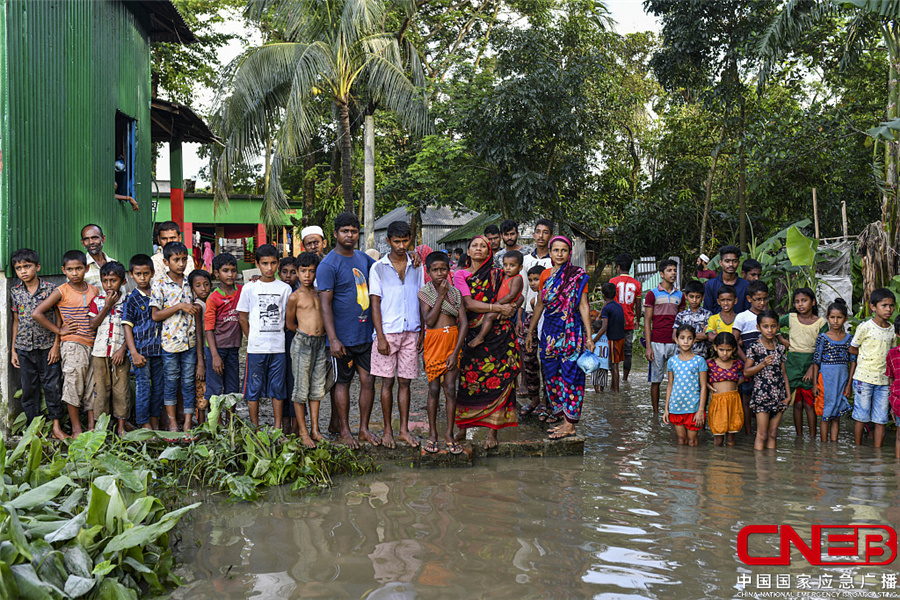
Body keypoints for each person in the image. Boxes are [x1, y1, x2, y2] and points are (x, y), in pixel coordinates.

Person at [318, 212, 379, 448]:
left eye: (354, 231)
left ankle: (363, 428)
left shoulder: (364, 259)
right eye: (345, 231)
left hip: (365, 335)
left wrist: (412, 256)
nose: (350, 235)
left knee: (368, 381)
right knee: (342, 383)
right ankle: (344, 429)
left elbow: (386, 268)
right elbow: (325, 304)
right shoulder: (328, 264)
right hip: (341, 339)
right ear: (335, 234)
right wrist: (332, 339)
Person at [526, 236, 594, 440]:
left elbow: (583, 306)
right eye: (555, 250)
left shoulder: (577, 276)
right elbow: (540, 304)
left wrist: (589, 337)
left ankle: (570, 424)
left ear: (569, 252)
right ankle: (561, 417)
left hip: (572, 331)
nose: (559, 254)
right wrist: (530, 332)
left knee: (571, 375)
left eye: (563, 250)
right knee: (551, 373)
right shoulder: (545, 274)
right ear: (550, 251)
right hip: (549, 332)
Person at [457, 235, 520, 448]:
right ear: (468, 250)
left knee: (501, 380)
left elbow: (516, 292)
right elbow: (469, 304)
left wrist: (513, 307)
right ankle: (462, 430)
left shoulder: (499, 273)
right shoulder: (461, 275)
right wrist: (498, 308)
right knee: (468, 382)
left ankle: (492, 434)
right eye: (474, 245)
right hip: (472, 333)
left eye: (483, 246)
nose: (478, 249)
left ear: (489, 252)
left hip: (500, 336)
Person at [369, 220, 424, 449]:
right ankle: (387, 430)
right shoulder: (378, 268)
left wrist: (423, 330)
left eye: (405, 241)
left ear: (410, 240)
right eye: (397, 241)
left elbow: (422, 298)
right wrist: (380, 336)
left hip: (411, 331)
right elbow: (375, 303)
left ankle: (403, 430)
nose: (401, 246)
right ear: (388, 241)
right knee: (386, 383)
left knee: (405, 383)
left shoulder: (417, 266)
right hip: (388, 332)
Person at [32, 250, 98, 437]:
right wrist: (59, 331)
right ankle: (76, 428)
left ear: (86, 268)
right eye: (70, 269)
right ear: (64, 270)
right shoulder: (61, 291)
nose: (75, 273)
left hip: (92, 344)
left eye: (78, 268)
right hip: (72, 344)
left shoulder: (94, 290)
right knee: (73, 385)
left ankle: (92, 427)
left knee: (91, 386)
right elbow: (37, 313)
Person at [10, 248, 66, 439]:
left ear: (37, 267)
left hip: (47, 347)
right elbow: (16, 321)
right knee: (29, 389)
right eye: (18, 268)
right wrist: (13, 350)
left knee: (52, 386)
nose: (23, 271)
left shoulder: (51, 289)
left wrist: (56, 345)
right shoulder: (15, 292)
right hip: (24, 347)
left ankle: (56, 426)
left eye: (27, 266)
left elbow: (59, 319)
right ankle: (34, 428)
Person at [418, 251, 468, 454]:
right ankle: (432, 434)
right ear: (428, 272)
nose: (440, 273)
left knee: (450, 388)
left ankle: (448, 433)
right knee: (433, 390)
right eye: (435, 270)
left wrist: (455, 352)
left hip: (452, 340)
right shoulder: (425, 293)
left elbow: (463, 322)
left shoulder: (455, 293)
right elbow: (429, 320)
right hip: (434, 341)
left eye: (443, 269)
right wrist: (440, 295)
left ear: (449, 270)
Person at [237, 244, 292, 429]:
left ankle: (277, 428)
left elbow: (288, 317)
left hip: (278, 347)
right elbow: (242, 316)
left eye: (273, 263)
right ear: (257, 264)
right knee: (253, 388)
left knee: (278, 388)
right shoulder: (249, 288)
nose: (269, 268)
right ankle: (255, 428)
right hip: (256, 348)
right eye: (265, 263)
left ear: (278, 263)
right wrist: (251, 336)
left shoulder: (285, 289)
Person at [150, 241, 199, 432]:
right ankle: (172, 422)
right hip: (169, 345)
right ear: (165, 261)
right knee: (170, 382)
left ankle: (187, 421)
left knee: (188, 382)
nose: (181, 264)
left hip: (190, 344)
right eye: (176, 260)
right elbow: (155, 315)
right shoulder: (160, 285)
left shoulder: (190, 282)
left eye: (184, 259)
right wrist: (179, 306)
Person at [287, 252, 329, 448]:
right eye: (303, 271)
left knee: (317, 389)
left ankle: (315, 429)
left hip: (321, 344)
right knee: (300, 389)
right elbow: (289, 323)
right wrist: (305, 334)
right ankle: (303, 432)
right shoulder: (295, 297)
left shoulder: (320, 293)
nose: (307, 276)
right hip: (303, 343)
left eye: (311, 272)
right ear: (297, 272)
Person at [849, 287, 896, 447]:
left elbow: (892, 354)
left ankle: (877, 453)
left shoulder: (892, 330)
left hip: (883, 382)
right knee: (861, 416)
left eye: (891, 305)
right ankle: (857, 451)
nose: (889, 309)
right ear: (874, 307)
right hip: (863, 379)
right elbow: (853, 348)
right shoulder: (865, 327)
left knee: (881, 418)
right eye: (884, 305)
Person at [777, 288, 826, 439]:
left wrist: (813, 367)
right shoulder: (790, 317)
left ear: (813, 302)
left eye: (804, 301)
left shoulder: (821, 323)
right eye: (797, 302)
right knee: (795, 403)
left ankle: (812, 438)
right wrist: (781, 339)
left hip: (810, 363)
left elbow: (822, 348)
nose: (800, 305)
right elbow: (772, 324)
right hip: (792, 363)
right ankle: (798, 437)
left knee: (809, 404)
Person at [88, 261, 129, 436]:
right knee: (101, 390)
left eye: (113, 280)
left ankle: (121, 426)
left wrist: (122, 350)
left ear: (123, 282)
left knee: (121, 389)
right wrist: (107, 306)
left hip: (120, 352)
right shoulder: (97, 301)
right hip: (100, 352)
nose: (109, 285)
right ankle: (101, 427)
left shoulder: (128, 302)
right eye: (105, 281)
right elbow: (92, 325)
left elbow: (133, 329)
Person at [123, 254, 163, 430]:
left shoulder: (158, 293)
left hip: (160, 350)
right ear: (131, 274)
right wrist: (133, 352)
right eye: (138, 274)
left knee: (159, 387)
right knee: (143, 388)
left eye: (146, 273)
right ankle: (143, 422)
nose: (142, 277)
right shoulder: (132, 299)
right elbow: (127, 327)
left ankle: (155, 420)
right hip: (141, 352)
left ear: (152, 273)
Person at [744, 309, 790, 451]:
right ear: (759, 328)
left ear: (777, 327)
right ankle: (760, 469)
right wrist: (762, 364)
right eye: (765, 326)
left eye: (773, 326)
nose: (769, 330)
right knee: (762, 434)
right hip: (762, 395)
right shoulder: (755, 348)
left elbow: (783, 373)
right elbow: (746, 372)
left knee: (773, 433)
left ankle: (770, 467)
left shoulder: (780, 348)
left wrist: (788, 396)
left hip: (779, 394)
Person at [644, 258, 684, 414]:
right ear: (661, 274)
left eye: (674, 270)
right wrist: (648, 347)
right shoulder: (652, 294)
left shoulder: (680, 295)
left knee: (677, 380)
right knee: (656, 380)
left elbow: (681, 321)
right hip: (656, 342)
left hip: (675, 343)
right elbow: (647, 321)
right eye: (669, 270)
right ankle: (655, 413)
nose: (673, 273)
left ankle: (672, 411)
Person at [811, 299, 854, 443]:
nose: (835, 321)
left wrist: (849, 384)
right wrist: (814, 384)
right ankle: (824, 447)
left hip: (841, 379)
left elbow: (853, 362)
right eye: (832, 317)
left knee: (836, 416)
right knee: (825, 414)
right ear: (827, 318)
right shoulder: (822, 338)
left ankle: (834, 448)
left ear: (845, 319)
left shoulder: (849, 339)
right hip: (825, 380)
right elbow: (816, 362)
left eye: (839, 317)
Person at [204, 253, 243, 410]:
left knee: (232, 388)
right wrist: (214, 356)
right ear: (216, 273)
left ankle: (231, 423)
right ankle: (216, 424)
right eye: (225, 270)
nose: (230, 274)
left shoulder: (242, 291)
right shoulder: (213, 298)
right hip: (216, 349)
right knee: (215, 389)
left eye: (233, 270)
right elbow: (209, 329)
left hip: (233, 349)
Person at [732, 279, 769, 434]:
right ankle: (748, 432)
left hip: (767, 365)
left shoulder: (768, 316)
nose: (762, 303)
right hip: (749, 366)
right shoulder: (742, 317)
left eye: (764, 299)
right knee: (747, 399)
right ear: (749, 299)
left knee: (766, 399)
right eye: (758, 299)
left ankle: (763, 432)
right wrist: (746, 359)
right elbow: (734, 341)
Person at [664, 324, 708, 446]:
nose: (686, 341)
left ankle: (692, 464)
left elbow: (703, 386)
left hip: (693, 408)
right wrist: (666, 409)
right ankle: (680, 464)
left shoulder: (699, 361)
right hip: (676, 407)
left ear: (694, 341)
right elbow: (670, 385)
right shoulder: (672, 361)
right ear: (676, 340)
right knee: (681, 440)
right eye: (682, 338)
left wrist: (701, 410)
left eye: (689, 338)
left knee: (692, 441)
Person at [470, 250, 523, 347]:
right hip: (501, 306)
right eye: (505, 265)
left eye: (512, 265)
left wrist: (497, 304)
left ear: (520, 267)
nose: (508, 268)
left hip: (504, 306)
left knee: (489, 316)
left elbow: (512, 295)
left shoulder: (517, 278)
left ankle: (480, 337)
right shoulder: (505, 276)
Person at [518, 265, 546, 416]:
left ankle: (546, 400)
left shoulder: (547, 298)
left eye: (537, 279)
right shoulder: (533, 301)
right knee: (529, 359)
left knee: (547, 363)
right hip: (531, 323)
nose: (533, 283)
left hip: (548, 327)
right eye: (531, 280)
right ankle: (534, 398)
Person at [706, 332, 744, 446]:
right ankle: (717, 461)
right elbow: (701, 378)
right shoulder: (710, 364)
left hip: (734, 400)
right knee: (718, 436)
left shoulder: (737, 363)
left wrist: (738, 383)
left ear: (733, 349)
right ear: (715, 348)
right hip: (718, 401)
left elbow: (746, 374)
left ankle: (730, 461)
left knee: (732, 436)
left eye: (728, 350)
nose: (725, 353)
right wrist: (709, 386)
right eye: (721, 349)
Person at [609, 254, 642, 382]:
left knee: (613, 351)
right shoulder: (637, 284)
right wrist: (638, 320)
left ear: (618, 267)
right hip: (628, 322)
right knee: (628, 352)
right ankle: (625, 379)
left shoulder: (612, 282)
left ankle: (614, 378)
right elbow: (638, 306)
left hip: (613, 323)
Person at [189, 269, 212, 424]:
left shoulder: (209, 302)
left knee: (208, 387)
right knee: (201, 389)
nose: (203, 288)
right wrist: (200, 362)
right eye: (198, 285)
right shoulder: (198, 306)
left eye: (206, 284)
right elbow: (198, 334)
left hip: (209, 351)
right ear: (192, 289)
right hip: (201, 353)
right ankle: (202, 422)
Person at [594, 283, 625, 392]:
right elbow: (623, 323)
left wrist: (593, 340)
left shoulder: (607, 308)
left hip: (613, 339)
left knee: (613, 366)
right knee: (615, 364)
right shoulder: (618, 306)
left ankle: (615, 391)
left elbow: (603, 327)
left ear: (602, 295)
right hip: (621, 338)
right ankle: (613, 387)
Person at [703, 245, 749, 314]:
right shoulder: (711, 285)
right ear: (721, 263)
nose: (731, 264)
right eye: (727, 261)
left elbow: (748, 312)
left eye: (734, 261)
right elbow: (707, 310)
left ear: (738, 263)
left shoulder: (745, 285)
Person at [672, 280, 711, 357]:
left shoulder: (707, 315)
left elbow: (708, 335)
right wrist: (699, 336)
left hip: (701, 355)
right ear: (686, 296)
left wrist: (685, 337)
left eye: (698, 297)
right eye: (691, 296)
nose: (694, 300)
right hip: (682, 356)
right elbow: (674, 336)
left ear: (703, 297)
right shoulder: (681, 315)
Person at [81, 224, 115, 289]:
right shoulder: (79, 269)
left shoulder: (114, 263)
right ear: (82, 243)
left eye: (95, 238)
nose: (91, 242)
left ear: (103, 239)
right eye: (86, 239)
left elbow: (123, 293)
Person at [886, 316, 900, 458]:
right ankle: (897, 469)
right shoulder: (892, 354)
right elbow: (891, 379)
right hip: (898, 402)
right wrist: (892, 405)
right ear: (897, 334)